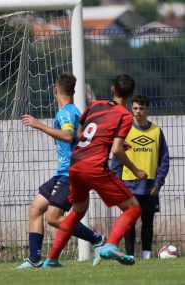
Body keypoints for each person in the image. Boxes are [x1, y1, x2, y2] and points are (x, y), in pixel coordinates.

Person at [42, 74, 148, 268]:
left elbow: (82, 134)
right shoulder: (125, 115)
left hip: (76, 164)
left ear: (112, 89)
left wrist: (106, 142)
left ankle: (51, 259)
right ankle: (110, 245)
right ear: (131, 95)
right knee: (133, 208)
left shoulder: (95, 105)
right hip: (94, 166)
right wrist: (136, 170)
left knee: (77, 212)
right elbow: (116, 149)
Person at [16, 73, 105, 269]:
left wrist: (39, 125)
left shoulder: (65, 113)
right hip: (62, 172)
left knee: (53, 217)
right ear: (73, 91)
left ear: (55, 89)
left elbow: (66, 135)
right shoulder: (74, 111)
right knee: (35, 208)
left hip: (70, 174)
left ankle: (98, 240)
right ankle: (34, 259)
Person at [110, 94, 169, 259]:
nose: (138, 112)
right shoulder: (125, 131)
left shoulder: (156, 131)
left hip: (150, 185)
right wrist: (116, 183)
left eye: (141, 108)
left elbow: (164, 159)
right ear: (131, 109)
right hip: (128, 184)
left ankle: (147, 255)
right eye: (135, 108)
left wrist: (159, 182)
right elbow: (116, 161)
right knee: (129, 221)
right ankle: (129, 255)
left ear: (147, 110)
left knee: (148, 221)